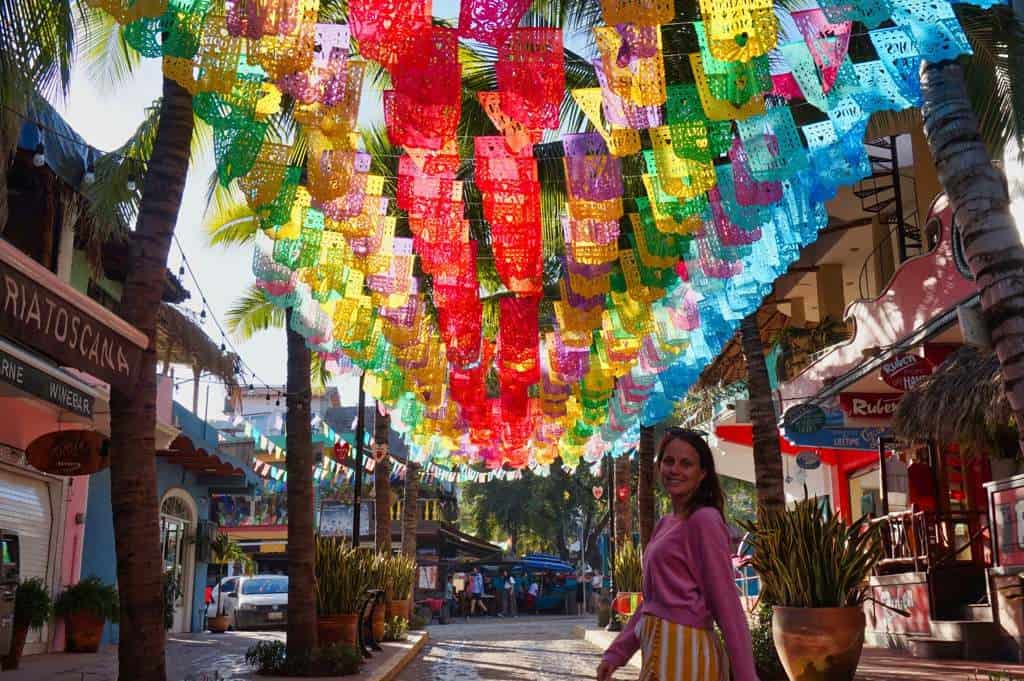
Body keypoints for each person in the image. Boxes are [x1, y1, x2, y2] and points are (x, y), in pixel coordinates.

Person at [597, 428, 757, 681]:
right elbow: (652, 602)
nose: (675, 470)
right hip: (659, 653)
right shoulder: (665, 524)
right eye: (668, 461)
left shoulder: (705, 520)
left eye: (686, 464)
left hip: (688, 656)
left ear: (702, 473)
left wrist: (747, 676)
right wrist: (616, 654)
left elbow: (725, 602)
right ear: (659, 466)